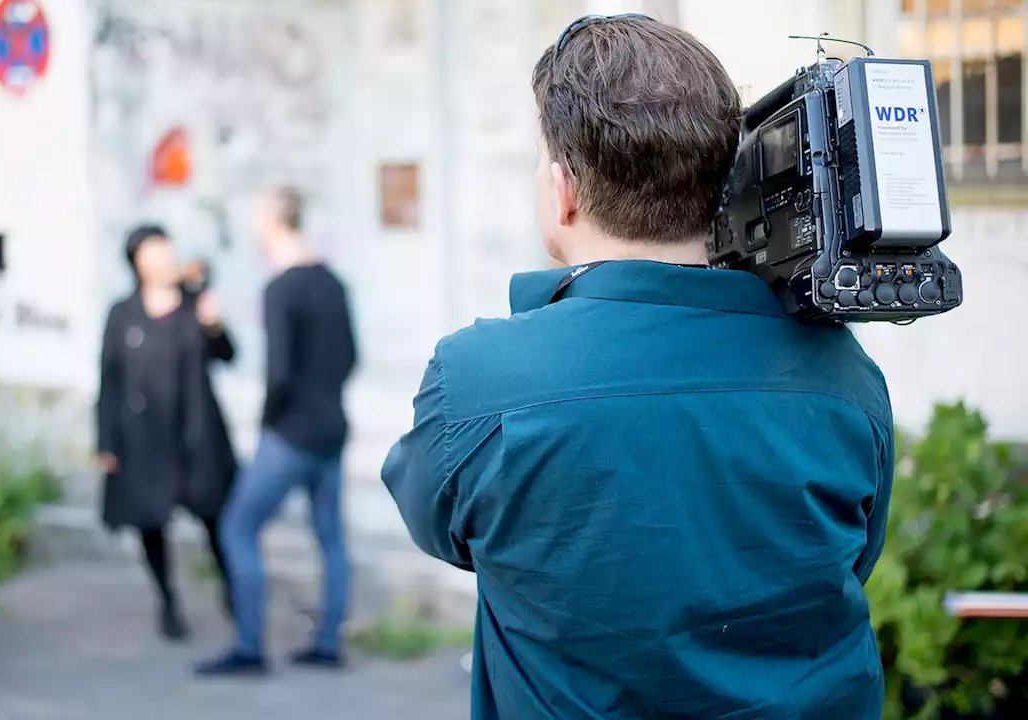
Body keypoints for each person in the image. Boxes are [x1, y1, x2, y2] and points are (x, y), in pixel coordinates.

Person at [381, 15, 894, 720]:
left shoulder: (474, 382)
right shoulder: (845, 374)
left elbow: (440, 527)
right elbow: (855, 558)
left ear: (562, 189)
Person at [196, 186, 358, 676]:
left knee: (237, 526)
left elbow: (280, 372)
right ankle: (328, 642)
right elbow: (352, 357)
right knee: (330, 536)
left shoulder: (281, 288)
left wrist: (268, 422)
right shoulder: (333, 282)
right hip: (332, 426)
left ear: (271, 219)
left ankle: (249, 647)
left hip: (291, 432)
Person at [97, 225, 238, 640]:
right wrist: (107, 442)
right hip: (144, 438)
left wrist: (214, 326)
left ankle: (233, 591)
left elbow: (228, 354)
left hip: (197, 434)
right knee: (151, 523)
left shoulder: (194, 304)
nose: (164, 258)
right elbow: (109, 379)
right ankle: (168, 601)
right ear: (137, 261)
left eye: (167, 249)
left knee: (216, 518)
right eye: (154, 251)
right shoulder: (123, 314)